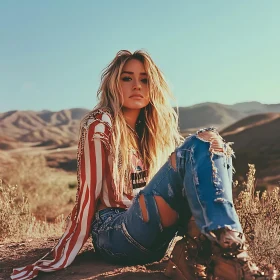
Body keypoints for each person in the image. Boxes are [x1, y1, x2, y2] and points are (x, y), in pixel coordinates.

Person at [11, 50, 272, 280]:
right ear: (114, 83)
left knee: (211, 142)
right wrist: (62, 253)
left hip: (154, 238)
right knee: (199, 143)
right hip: (114, 232)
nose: (137, 85)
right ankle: (220, 253)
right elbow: (87, 193)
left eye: (145, 79)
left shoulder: (153, 131)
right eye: (127, 78)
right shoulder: (100, 123)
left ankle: (226, 251)